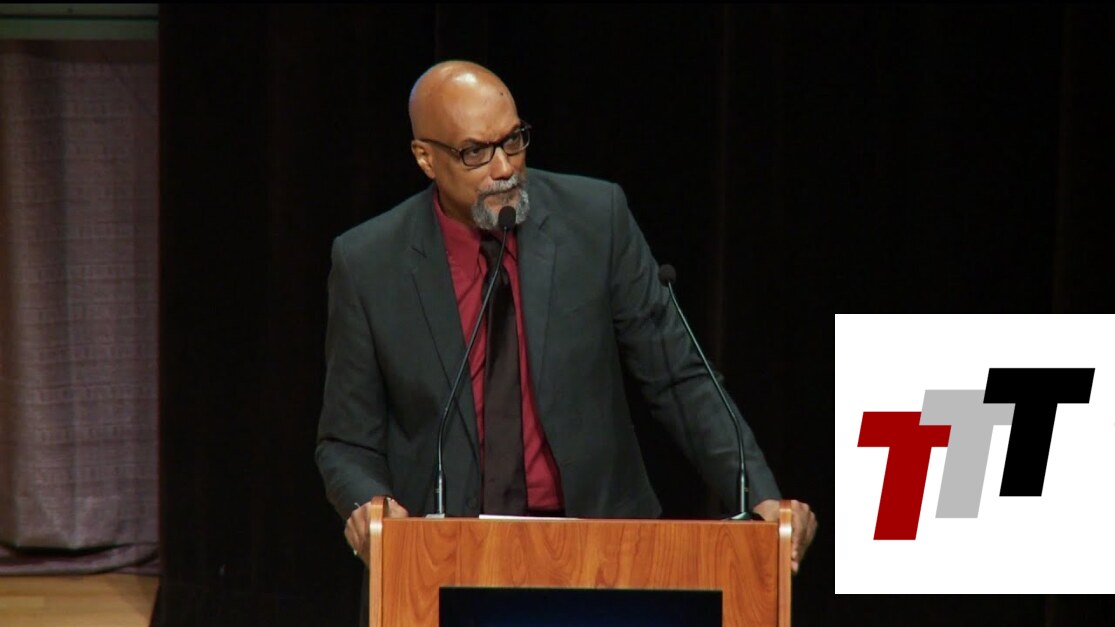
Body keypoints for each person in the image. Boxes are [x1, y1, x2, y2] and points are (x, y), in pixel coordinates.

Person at [315, 60, 817, 589]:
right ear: (426, 158)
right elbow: (346, 441)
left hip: (602, 556)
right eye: (475, 152)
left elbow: (679, 378)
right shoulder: (369, 263)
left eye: (513, 141)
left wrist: (758, 495)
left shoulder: (596, 219)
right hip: (442, 562)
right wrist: (371, 508)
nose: (504, 168)